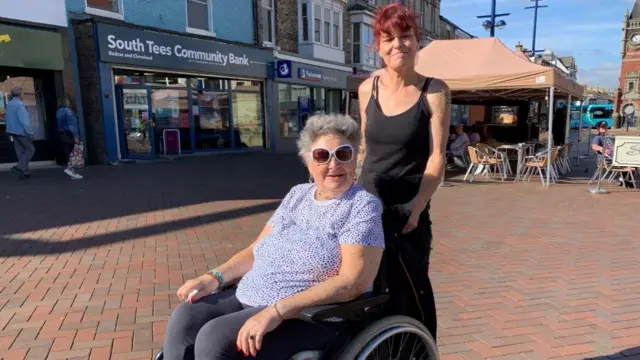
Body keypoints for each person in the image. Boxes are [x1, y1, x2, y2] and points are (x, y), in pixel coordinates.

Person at [162, 114, 385, 360]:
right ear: (308, 162)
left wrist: (278, 310)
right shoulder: (298, 195)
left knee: (216, 339)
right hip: (252, 294)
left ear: (355, 159)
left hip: (310, 313)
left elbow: (353, 282)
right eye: (322, 155)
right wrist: (213, 277)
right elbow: (256, 249)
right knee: (186, 318)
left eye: (343, 154)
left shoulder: (362, 206)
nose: (333, 165)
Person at [356, 3, 450, 340]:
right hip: (367, 207)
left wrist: (418, 205)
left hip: (408, 211)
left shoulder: (435, 90)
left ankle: (416, 350)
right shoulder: (367, 89)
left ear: (417, 40)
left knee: (409, 292)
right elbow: (365, 148)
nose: (398, 44)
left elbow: (437, 157)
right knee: (365, 291)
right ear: (378, 47)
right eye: (389, 38)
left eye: (406, 36)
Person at [5, 87, 35, 179]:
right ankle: (18, 168)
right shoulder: (20, 105)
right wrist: (30, 132)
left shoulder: (9, 104)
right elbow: (24, 121)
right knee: (31, 150)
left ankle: (25, 172)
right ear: (20, 94)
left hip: (13, 132)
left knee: (20, 152)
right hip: (22, 132)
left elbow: (7, 118)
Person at [56, 95, 83, 180]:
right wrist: (76, 136)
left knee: (68, 152)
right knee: (73, 152)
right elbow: (72, 125)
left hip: (62, 134)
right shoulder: (68, 111)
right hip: (69, 134)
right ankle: (70, 169)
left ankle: (72, 172)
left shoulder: (58, 112)